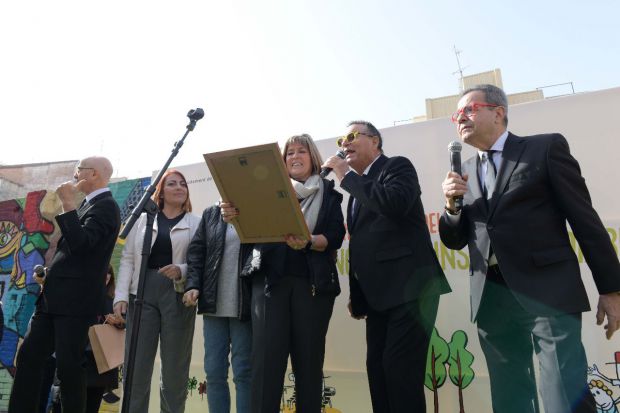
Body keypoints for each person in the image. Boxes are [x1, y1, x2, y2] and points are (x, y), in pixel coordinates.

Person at [439, 84, 620, 413]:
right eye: (456, 115)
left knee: (563, 394)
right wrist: (452, 206)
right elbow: (455, 240)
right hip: (491, 299)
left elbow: (585, 220)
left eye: (469, 109)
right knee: (510, 400)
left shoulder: (544, 148)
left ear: (498, 112)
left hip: (546, 292)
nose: (460, 118)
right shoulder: (463, 172)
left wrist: (611, 289)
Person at [323, 121, 451, 412]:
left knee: (400, 373)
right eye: (341, 139)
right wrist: (358, 297)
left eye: (353, 136)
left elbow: (394, 203)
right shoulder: (354, 193)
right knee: (378, 372)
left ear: (376, 142)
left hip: (411, 291)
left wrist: (345, 176)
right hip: (378, 300)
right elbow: (359, 248)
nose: (345, 144)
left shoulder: (396, 167)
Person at [221, 133, 346, 413]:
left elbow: (335, 236)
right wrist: (232, 214)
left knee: (309, 365)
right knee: (266, 366)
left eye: (301, 151)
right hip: (268, 286)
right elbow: (248, 231)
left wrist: (310, 241)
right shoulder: (263, 192)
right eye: (289, 153)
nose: (295, 157)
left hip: (312, 287)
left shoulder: (329, 193)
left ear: (312, 157)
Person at [9, 156, 121, 413]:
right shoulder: (88, 206)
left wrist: (68, 203)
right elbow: (72, 251)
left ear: (93, 174)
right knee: (29, 356)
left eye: (78, 170)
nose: (74, 175)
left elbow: (82, 245)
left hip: (76, 302)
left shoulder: (106, 207)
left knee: (69, 366)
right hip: (54, 298)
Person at [113, 169, 200, 413]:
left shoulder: (196, 222)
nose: (179, 187)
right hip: (141, 293)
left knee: (175, 369)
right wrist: (120, 296)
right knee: (136, 367)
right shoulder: (143, 220)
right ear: (160, 192)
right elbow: (128, 259)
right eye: (172, 184)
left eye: (183, 184)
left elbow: (198, 261)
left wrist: (181, 269)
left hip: (177, 294)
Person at [182, 202, 254, 413]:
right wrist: (193, 285)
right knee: (213, 372)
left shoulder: (255, 208)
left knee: (243, 372)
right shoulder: (211, 213)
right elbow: (196, 253)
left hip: (245, 306)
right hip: (214, 307)